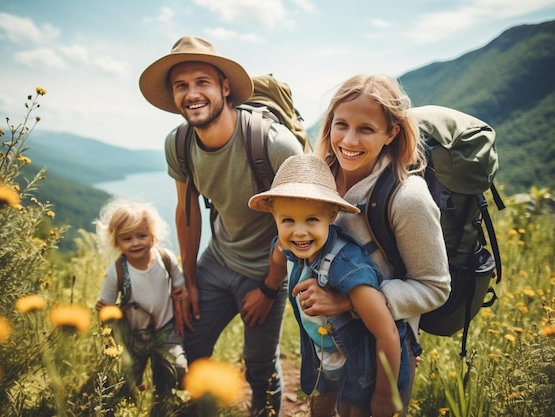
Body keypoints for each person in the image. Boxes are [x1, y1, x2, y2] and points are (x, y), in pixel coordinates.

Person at [138, 36, 304, 416]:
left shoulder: (274, 145)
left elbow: (302, 224)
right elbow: (187, 211)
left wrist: (268, 286)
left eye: (202, 82)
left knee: (259, 367)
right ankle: (204, 407)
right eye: (181, 85)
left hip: (269, 266)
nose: (192, 94)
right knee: (184, 348)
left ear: (224, 88)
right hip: (219, 260)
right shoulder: (179, 143)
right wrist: (189, 280)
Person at [293, 74, 451, 415]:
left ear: (391, 134)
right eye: (341, 124)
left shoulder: (407, 198)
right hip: (327, 343)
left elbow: (435, 286)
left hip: (384, 350)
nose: (349, 139)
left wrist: (350, 301)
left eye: (366, 128)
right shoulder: (317, 179)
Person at [249, 154, 409, 417]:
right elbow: (278, 256)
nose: (299, 232)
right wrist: (269, 287)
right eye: (288, 220)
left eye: (311, 220)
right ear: (274, 217)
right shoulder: (287, 245)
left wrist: (384, 393)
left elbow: (387, 333)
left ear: (331, 215)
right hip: (323, 356)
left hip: (365, 369)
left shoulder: (345, 265)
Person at [94, 199, 189, 412]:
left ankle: (163, 401)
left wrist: (181, 292)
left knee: (177, 369)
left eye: (142, 235)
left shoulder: (165, 259)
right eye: (127, 238)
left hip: (166, 328)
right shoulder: (116, 272)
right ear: (116, 242)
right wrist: (106, 313)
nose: (136, 242)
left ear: (153, 236)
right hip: (133, 335)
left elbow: (179, 282)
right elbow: (106, 307)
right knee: (124, 378)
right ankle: (113, 407)